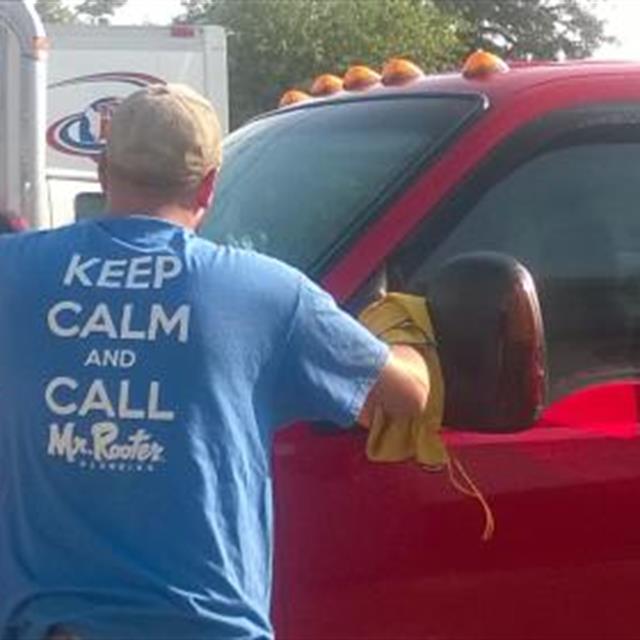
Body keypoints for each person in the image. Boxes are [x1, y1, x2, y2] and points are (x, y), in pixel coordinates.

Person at [0, 84, 429, 640]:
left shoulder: (13, 273)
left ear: (102, 170)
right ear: (208, 184)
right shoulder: (266, 292)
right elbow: (406, 394)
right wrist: (407, 334)